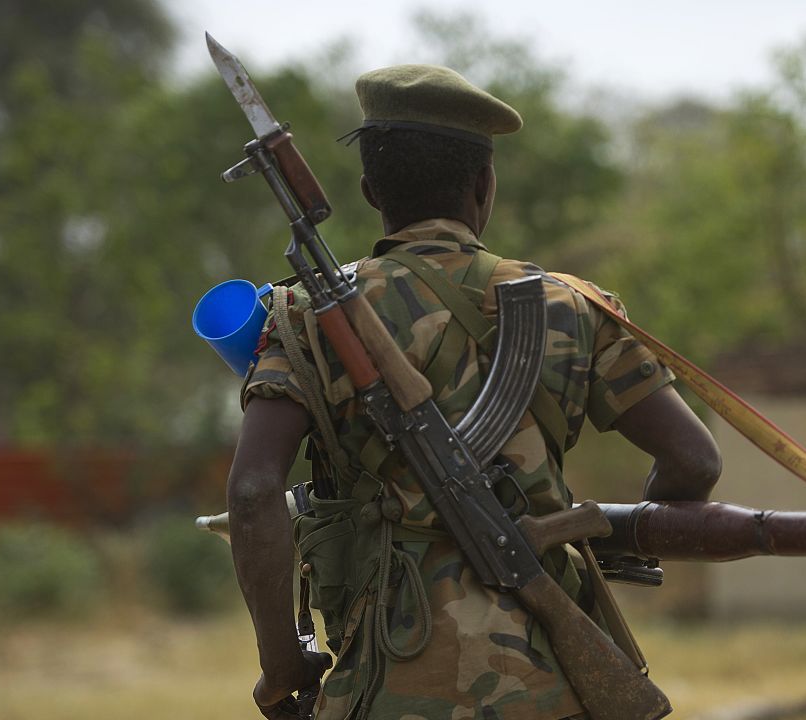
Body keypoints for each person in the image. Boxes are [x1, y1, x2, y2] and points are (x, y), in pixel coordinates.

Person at [225, 64, 722, 720]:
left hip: (384, 689)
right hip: (551, 689)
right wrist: (609, 546)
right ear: (484, 185)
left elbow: (255, 490)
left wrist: (283, 664)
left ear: (372, 190)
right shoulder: (570, 306)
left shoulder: (305, 315)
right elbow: (695, 460)